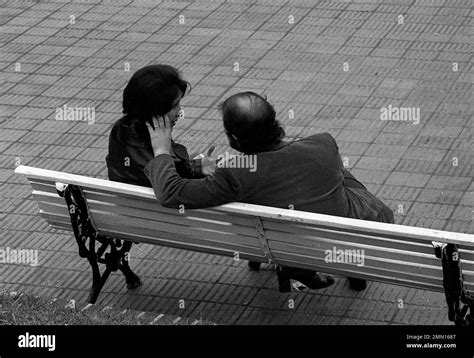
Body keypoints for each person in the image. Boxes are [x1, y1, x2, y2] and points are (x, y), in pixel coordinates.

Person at [143, 91, 394, 292]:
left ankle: (297, 268)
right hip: (347, 241)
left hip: (282, 245)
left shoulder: (235, 176)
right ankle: (354, 272)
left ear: (233, 139)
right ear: (275, 122)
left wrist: (162, 150)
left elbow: (170, 193)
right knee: (336, 173)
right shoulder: (323, 143)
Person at [105, 64, 216, 289]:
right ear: (155, 113)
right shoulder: (157, 151)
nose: (179, 112)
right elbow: (172, 191)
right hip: (170, 223)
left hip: (127, 217)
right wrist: (165, 152)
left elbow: (153, 173)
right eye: (175, 106)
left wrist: (194, 168)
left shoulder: (121, 131)